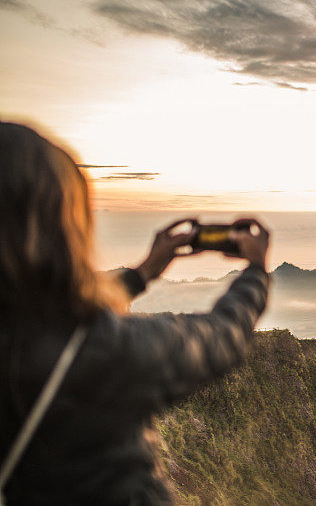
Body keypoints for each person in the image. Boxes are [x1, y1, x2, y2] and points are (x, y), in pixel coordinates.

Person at [0, 122, 271, 504]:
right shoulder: (106, 353)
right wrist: (257, 272)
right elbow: (224, 335)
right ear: (62, 227)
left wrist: (141, 274)